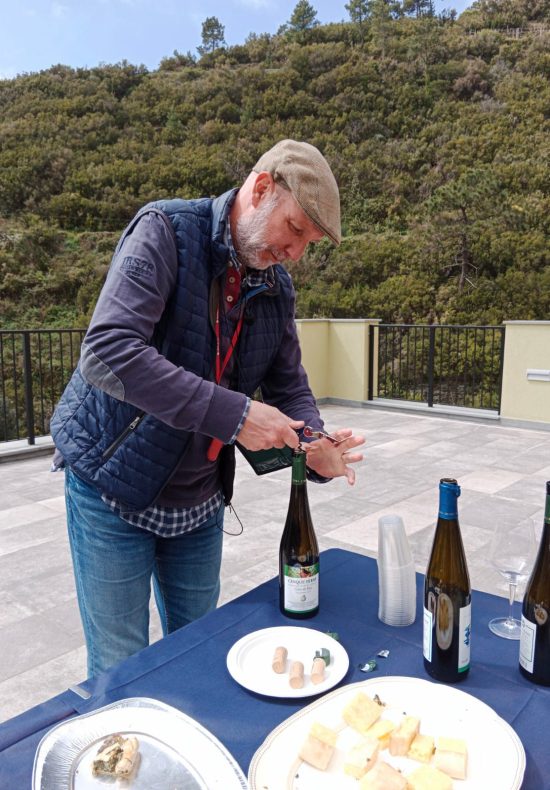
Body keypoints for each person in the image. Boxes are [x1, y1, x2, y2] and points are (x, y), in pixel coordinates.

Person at [51, 139, 365, 676]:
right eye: (294, 229)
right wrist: (238, 416)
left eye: (308, 243)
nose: (295, 253)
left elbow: (289, 387)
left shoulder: (277, 288)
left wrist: (315, 443)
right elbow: (109, 352)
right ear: (261, 188)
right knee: (121, 666)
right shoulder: (165, 231)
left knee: (197, 656)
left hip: (199, 503)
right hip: (112, 489)